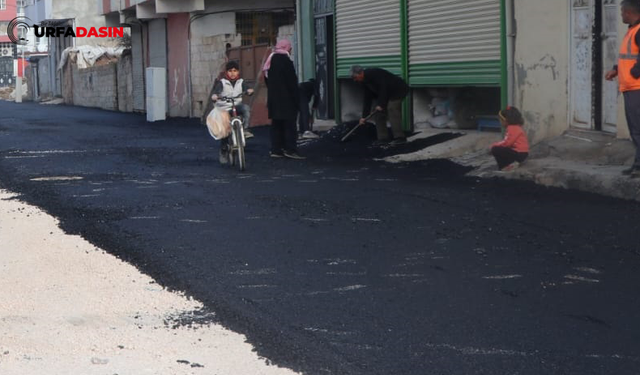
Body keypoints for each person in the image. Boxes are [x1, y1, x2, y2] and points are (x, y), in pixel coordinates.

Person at [605, 0, 640, 177]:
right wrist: (616, 70)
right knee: (635, 129)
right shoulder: (632, 31)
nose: (620, 15)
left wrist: (635, 72)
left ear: (628, 12)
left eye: (622, 12)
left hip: (636, 87)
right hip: (630, 87)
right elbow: (628, 56)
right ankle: (637, 165)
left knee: (637, 129)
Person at [263, 39, 305, 159]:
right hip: (287, 100)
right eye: (290, 48)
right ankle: (290, 149)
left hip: (274, 100)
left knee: (276, 124)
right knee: (289, 125)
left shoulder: (270, 60)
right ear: (287, 48)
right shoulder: (286, 61)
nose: (291, 50)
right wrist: (297, 99)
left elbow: (267, 79)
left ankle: (276, 149)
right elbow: (291, 82)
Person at [350, 65, 409, 145]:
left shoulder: (374, 73)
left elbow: (383, 88)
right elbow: (367, 98)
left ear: (360, 73)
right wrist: (364, 117)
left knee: (392, 108)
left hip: (398, 90)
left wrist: (381, 104)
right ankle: (383, 138)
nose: (355, 80)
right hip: (386, 94)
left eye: (355, 77)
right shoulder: (363, 81)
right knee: (378, 113)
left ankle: (400, 138)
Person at [211, 61, 254, 164]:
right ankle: (224, 150)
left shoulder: (241, 82)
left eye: (235, 71)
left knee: (245, 108)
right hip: (224, 108)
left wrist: (249, 91)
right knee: (225, 130)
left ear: (238, 71)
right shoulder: (222, 82)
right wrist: (215, 96)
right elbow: (216, 93)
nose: (232, 73)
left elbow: (247, 89)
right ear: (226, 72)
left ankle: (245, 129)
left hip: (236, 105)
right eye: (230, 71)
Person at [490, 106, 530, 171]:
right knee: (501, 149)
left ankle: (505, 166)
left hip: (519, 153)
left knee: (495, 149)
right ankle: (510, 164)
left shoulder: (512, 128)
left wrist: (495, 145)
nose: (500, 122)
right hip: (522, 153)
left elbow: (507, 143)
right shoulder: (516, 127)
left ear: (505, 120)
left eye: (500, 120)